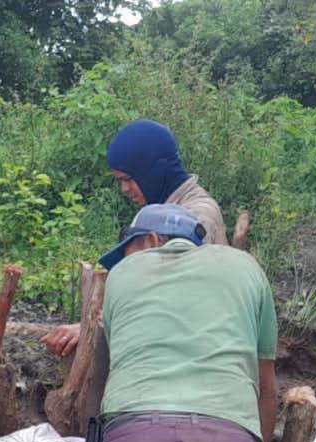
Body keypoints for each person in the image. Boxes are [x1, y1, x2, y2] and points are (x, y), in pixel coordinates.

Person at [82, 203, 294, 442]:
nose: (126, 258)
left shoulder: (122, 276)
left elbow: (114, 369)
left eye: (128, 247)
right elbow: (266, 388)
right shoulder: (245, 268)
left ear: (152, 240)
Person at [42, 119, 229, 357]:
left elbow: (168, 299)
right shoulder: (159, 211)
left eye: (128, 179)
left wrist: (93, 329)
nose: (124, 189)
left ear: (153, 171)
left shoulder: (196, 216)